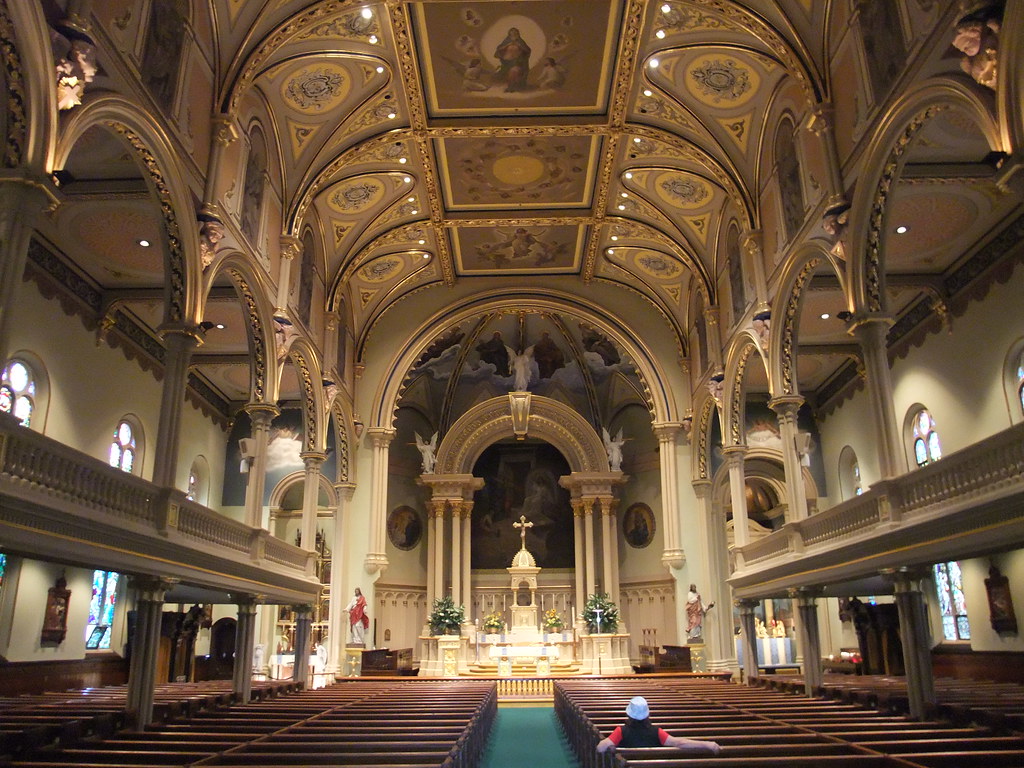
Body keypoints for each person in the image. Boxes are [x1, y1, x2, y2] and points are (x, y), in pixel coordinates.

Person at [597, 696, 721, 754]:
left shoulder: (620, 732)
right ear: (647, 715)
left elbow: (601, 747)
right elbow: (680, 742)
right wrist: (707, 744)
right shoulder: (656, 732)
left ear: (629, 714)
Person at [494, 27, 531, 92]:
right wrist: (507, 45)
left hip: (518, 61)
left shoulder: (520, 41)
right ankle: (511, 86)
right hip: (507, 62)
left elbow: (527, 50)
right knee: (509, 72)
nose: (513, 33)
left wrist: (519, 46)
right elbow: (499, 49)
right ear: (509, 33)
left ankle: (514, 86)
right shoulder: (506, 41)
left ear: (518, 34)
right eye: (512, 32)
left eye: (515, 32)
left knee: (514, 71)